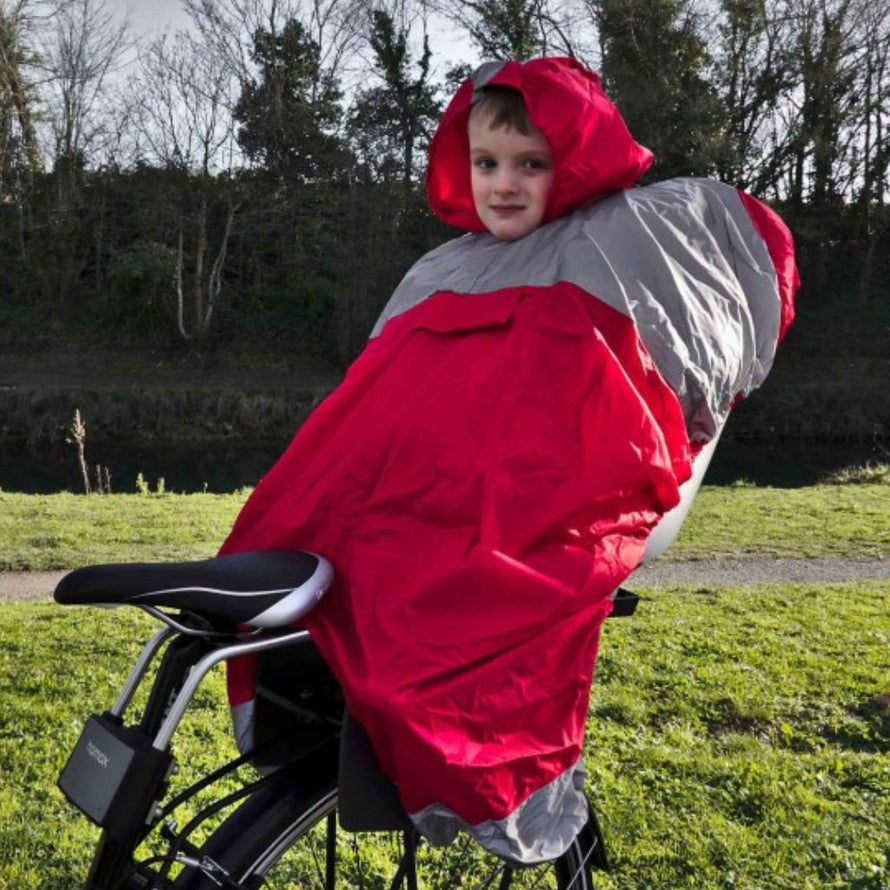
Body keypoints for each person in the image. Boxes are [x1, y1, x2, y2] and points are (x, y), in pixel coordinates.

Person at [220, 57, 799, 863]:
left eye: (532, 163)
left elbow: (626, 375)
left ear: (576, 160)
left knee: (453, 595)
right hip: (417, 483)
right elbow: (376, 411)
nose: (504, 183)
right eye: (486, 163)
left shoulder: (623, 240)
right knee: (300, 529)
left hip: (527, 485)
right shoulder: (441, 270)